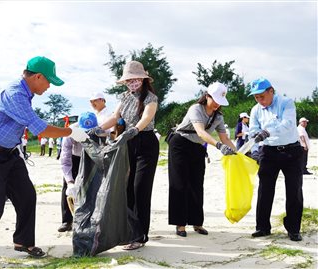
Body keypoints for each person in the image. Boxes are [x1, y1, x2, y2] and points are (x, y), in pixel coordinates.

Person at [0, 56, 88, 268]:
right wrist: (71, 131)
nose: (49, 86)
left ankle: (23, 242)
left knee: (26, 195)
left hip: (10, 153)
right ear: (38, 76)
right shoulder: (15, 93)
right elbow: (39, 128)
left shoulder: (26, 93)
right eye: (49, 81)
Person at [88, 60, 159, 250]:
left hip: (145, 142)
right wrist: (98, 128)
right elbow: (114, 117)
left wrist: (134, 129)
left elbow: (147, 117)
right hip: (127, 143)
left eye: (135, 79)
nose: (132, 82)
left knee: (140, 189)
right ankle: (129, 231)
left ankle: (140, 235)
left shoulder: (150, 98)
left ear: (143, 79)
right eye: (129, 80)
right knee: (126, 188)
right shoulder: (125, 97)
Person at [167, 82, 236, 237]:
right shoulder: (195, 109)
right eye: (215, 99)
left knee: (197, 184)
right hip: (180, 144)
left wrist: (239, 153)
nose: (218, 104)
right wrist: (218, 146)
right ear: (207, 96)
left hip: (197, 148)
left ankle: (197, 222)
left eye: (220, 101)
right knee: (179, 183)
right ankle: (180, 224)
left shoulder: (218, 117)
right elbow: (200, 132)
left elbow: (225, 138)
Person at [248, 78, 303, 242]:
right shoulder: (255, 110)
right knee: (264, 190)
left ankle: (293, 229)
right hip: (269, 152)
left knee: (294, 190)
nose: (259, 100)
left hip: (291, 151)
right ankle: (262, 227)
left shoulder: (286, 102)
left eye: (261, 96)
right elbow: (253, 132)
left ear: (271, 91)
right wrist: (255, 151)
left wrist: (267, 132)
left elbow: (287, 124)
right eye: (256, 97)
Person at [58, 112, 98, 233]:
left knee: (94, 187)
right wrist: (70, 181)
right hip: (75, 158)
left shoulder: (100, 130)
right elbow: (65, 160)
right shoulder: (69, 133)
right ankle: (67, 221)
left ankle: (92, 219)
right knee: (68, 189)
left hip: (92, 157)